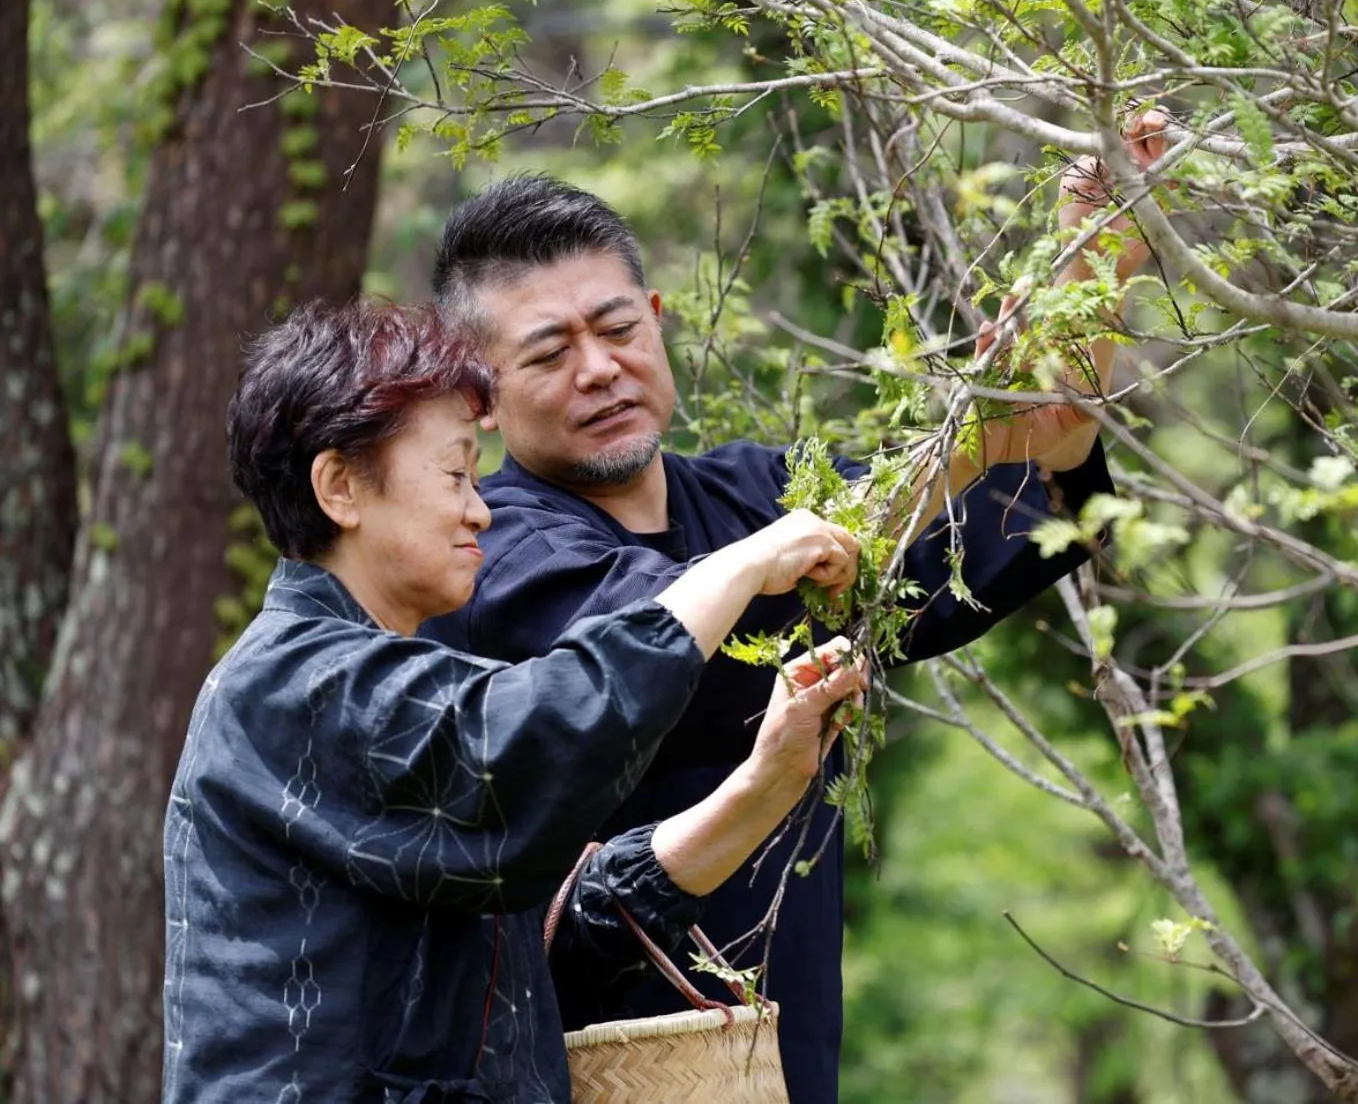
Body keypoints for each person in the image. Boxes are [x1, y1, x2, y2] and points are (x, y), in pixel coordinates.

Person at [421, 111, 1171, 1104]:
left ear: (656, 315)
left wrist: (1085, 295)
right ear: (479, 390)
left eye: (616, 329)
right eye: (549, 351)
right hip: (565, 1069)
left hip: (783, 1062)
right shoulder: (489, 549)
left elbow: (1018, 512)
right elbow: (680, 633)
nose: (599, 368)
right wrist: (973, 435)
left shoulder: (755, 493)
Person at [161, 299, 869, 1103]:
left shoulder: (382, 677)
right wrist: (738, 568)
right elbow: (529, 743)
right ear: (341, 488)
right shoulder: (294, 684)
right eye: (456, 473)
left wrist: (765, 783)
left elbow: (556, 935)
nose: (480, 508)